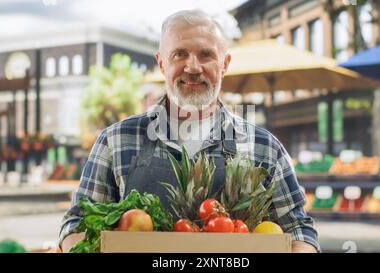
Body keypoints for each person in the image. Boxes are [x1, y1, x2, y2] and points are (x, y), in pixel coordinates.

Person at [59, 10, 319, 253]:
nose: (192, 67)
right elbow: (77, 225)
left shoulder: (264, 147)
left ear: (225, 64)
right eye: (179, 54)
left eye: (206, 54)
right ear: (162, 64)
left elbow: (299, 230)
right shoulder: (115, 141)